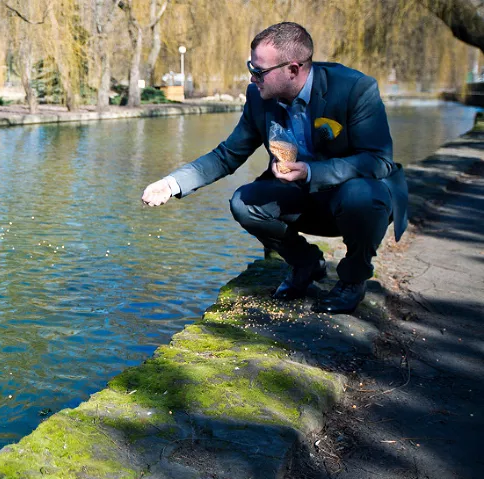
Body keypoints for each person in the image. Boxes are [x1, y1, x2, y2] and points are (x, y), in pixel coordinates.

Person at [141, 22, 408, 314]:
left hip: (352, 201)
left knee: (363, 196)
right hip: (301, 199)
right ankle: (306, 264)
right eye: (250, 67)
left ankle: (353, 279)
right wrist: (171, 184)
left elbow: (378, 161)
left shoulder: (355, 89)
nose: (252, 77)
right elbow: (227, 155)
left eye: (259, 71)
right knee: (243, 203)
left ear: (292, 69)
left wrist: (310, 171)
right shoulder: (259, 97)